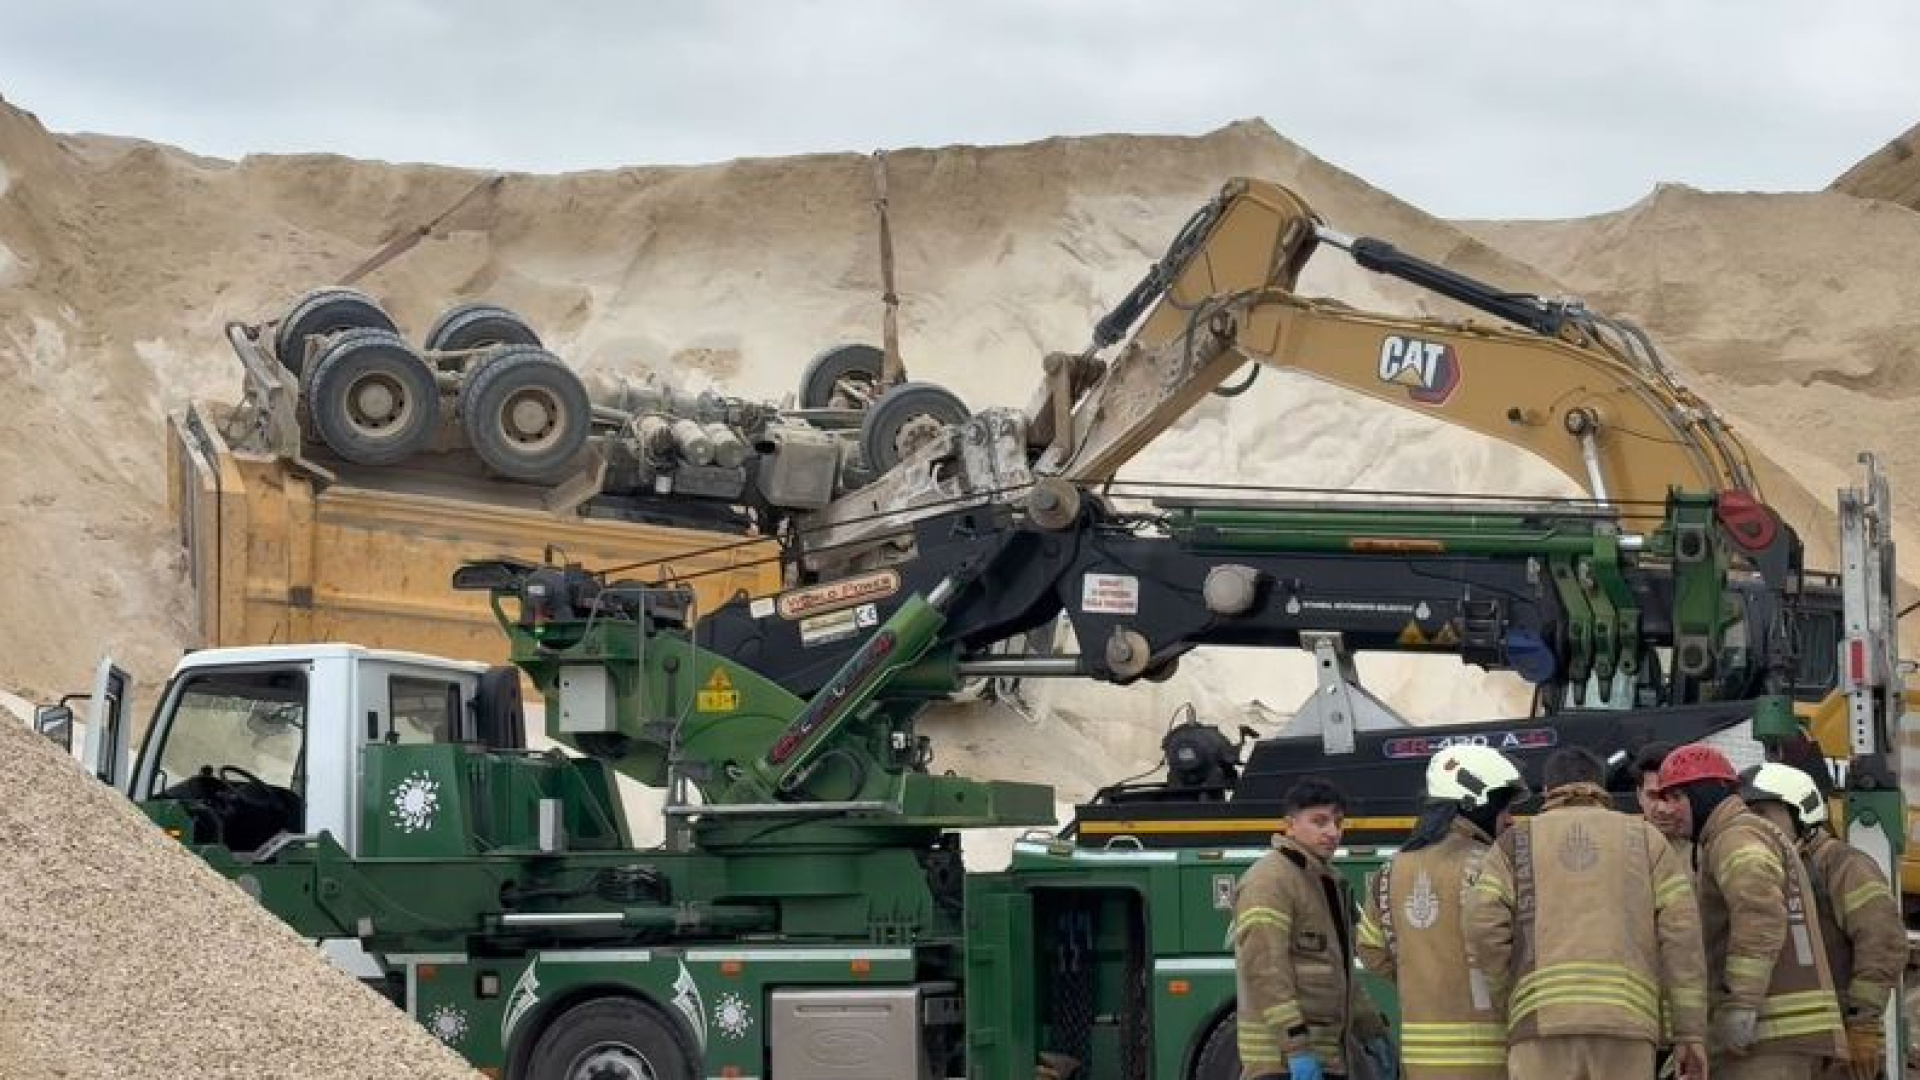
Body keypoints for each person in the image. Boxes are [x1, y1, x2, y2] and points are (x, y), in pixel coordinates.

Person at [1463, 746, 1709, 1080]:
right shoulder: (1647, 840)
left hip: (1540, 1027)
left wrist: (1507, 997)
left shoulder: (1513, 844)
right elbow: (1683, 938)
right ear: (1601, 787)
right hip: (1626, 1026)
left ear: (1548, 792)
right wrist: (1689, 1034)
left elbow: (1481, 927)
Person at [1656, 744, 1846, 1079]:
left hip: (1767, 1040)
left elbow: (1759, 914)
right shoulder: (1735, 835)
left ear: (1703, 795)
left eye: (1677, 798)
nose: (1668, 810)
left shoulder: (1736, 836)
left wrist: (1740, 1005)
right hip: (1779, 1037)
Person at [1358, 746, 1527, 1079]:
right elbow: (1515, 951)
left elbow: (1371, 948)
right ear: (1475, 804)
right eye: (1503, 808)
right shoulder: (1494, 866)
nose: (1509, 819)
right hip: (1489, 1058)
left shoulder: (1391, 869)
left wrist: (1422, 981)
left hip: (1420, 1060)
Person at [1739, 762, 1907, 1080]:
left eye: (1762, 813)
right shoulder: (1761, 871)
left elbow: (1882, 942)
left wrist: (1863, 1024)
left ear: (1802, 813)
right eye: (1745, 816)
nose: (1752, 827)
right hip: (1785, 1052)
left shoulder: (1841, 865)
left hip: (1838, 1049)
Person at [1232, 777, 1393, 1080]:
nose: (1332, 832)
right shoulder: (1270, 881)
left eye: (1338, 822)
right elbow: (1266, 970)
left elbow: (1337, 971)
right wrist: (1296, 1049)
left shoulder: (1325, 881)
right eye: (1319, 822)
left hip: (1325, 1058)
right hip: (1280, 1064)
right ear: (1290, 825)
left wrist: (1370, 1029)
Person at [1630, 741, 1691, 848]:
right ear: (1639, 795)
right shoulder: (1619, 843)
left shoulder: (1707, 847)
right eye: (1653, 795)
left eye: (1674, 797)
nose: (1663, 808)